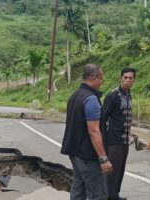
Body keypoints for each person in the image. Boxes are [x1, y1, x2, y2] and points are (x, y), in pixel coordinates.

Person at [61, 63, 112, 200]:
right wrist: (103, 158)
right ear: (93, 77)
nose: (102, 82)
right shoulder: (91, 99)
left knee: (79, 189)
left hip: (75, 152)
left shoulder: (75, 95)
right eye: (101, 79)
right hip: (88, 156)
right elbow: (94, 131)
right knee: (98, 194)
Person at [101, 67, 136, 200]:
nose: (127, 80)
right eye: (125, 77)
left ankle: (115, 195)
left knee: (120, 170)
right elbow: (102, 119)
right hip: (113, 141)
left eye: (130, 78)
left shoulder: (129, 95)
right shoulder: (112, 95)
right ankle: (109, 196)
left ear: (134, 80)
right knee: (111, 171)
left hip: (124, 140)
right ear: (120, 78)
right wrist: (104, 142)